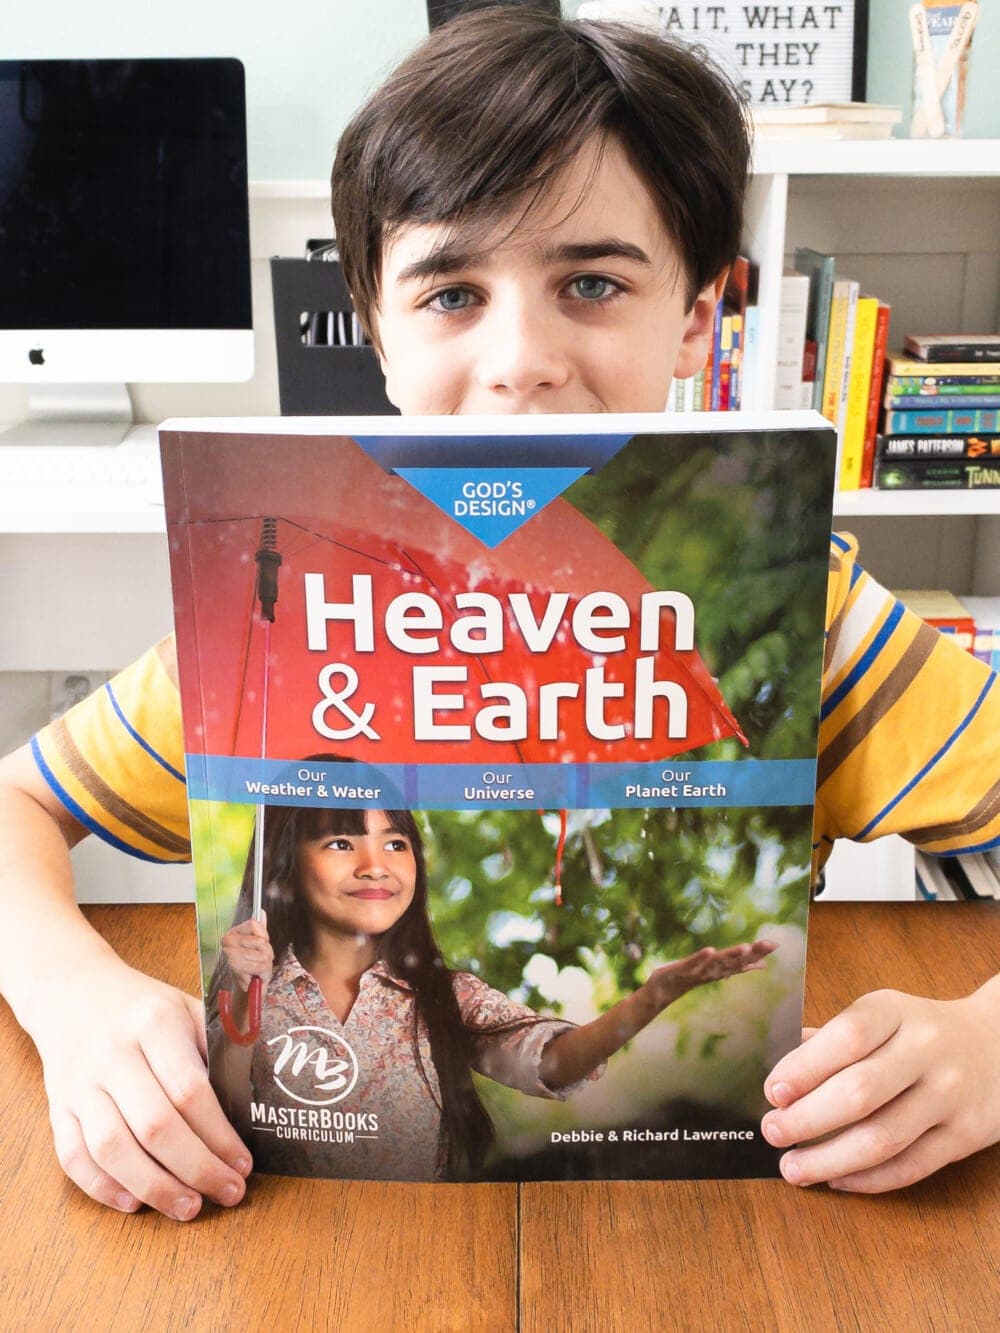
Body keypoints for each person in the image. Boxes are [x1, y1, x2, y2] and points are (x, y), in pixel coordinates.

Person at [0, 9, 998, 1219]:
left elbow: (555, 1053)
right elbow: (16, 805)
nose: (521, 358)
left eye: (591, 282)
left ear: (695, 315)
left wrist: (987, 1040)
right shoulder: (298, 621)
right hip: (290, 1226)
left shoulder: (817, 617)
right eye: (453, 291)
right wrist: (76, 1000)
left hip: (717, 1219)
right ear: (373, 325)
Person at [207, 799, 775, 1181]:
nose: (375, 865)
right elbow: (226, 1117)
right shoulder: (250, 985)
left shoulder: (440, 994)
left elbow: (551, 1062)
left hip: (424, 1240)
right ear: (284, 862)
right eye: (340, 844)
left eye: (396, 843)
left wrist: (655, 994)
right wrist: (241, 988)